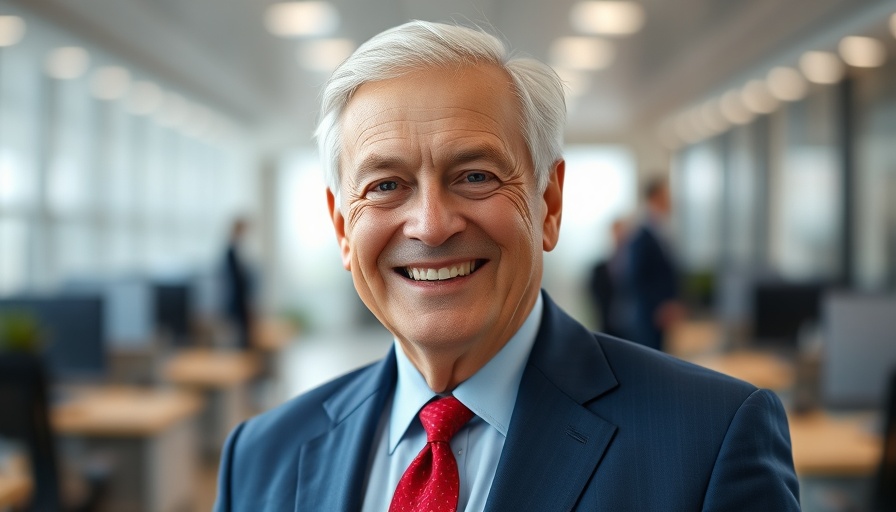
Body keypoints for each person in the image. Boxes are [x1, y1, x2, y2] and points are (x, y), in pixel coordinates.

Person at [214, 21, 799, 511]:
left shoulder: (711, 439)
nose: (431, 224)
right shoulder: (260, 460)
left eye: (475, 176)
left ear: (548, 203)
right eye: (386, 185)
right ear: (343, 228)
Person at [627, 177, 684, 352]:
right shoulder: (641, 236)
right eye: (667, 195)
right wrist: (660, 305)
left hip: (661, 315)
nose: (671, 201)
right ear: (655, 197)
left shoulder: (661, 232)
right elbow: (636, 277)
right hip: (650, 315)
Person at [587, 218, 632, 339]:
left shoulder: (636, 266)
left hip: (633, 330)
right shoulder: (600, 268)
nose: (620, 236)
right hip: (608, 327)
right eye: (617, 232)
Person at [221, 217, 255, 349]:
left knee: (246, 339)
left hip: (243, 302)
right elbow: (232, 282)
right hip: (235, 302)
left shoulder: (242, 251)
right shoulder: (230, 252)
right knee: (236, 340)